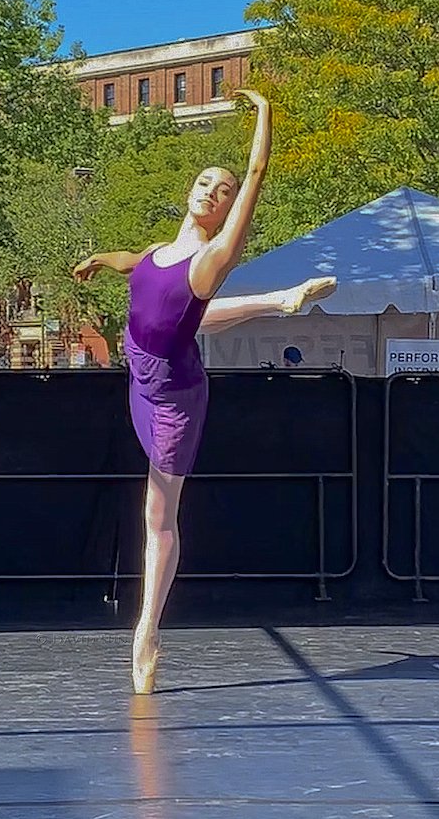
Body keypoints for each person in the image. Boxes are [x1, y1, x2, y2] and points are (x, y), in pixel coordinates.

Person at [73, 90, 336, 694]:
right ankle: (280, 301)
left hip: (174, 395)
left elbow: (257, 174)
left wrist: (266, 112)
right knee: (196, 314)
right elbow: (134, 263)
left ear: (225, 211)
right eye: (205, 182)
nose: (212, 191)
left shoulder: (212, 256)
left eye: (223, 190)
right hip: (142, 374)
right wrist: (98, 258)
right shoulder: (159, 251)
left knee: (156, 517)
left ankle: (147, 630)